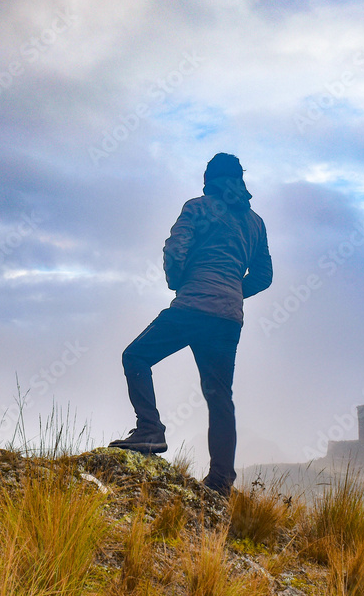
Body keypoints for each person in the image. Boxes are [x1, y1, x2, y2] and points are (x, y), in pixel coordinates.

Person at [109, 153, 273, 496]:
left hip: (192, 307)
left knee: (135, 357)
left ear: (208, 178)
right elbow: (264, 275)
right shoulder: (256, 223)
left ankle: (150, 430)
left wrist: (180, 282)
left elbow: (175, 251)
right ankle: (221, 482)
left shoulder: (197, 208)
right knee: (219, 397)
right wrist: (232, 292)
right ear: (240, 181)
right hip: (228, 319)